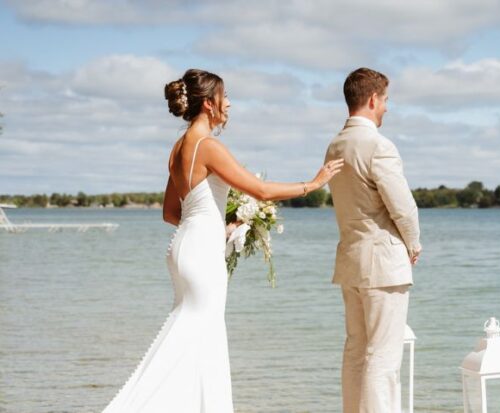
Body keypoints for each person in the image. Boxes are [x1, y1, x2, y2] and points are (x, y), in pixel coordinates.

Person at [101, 68, 343, 413]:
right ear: (209, 105)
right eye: (225, 97)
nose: (229, 104)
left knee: (189, 336)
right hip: (201, 254)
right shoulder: (208, 146)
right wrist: (313, 183)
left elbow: (171, 212)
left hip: (183, 247)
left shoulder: (178, 149)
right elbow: (259, 190)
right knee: (202, 337)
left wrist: (221, 225)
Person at [324, 67, 422, 413]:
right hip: (383, 264)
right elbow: (403, 207)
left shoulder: (335, 145)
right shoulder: (378, 146)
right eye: (386, 100)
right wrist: (413, 243)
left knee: (355, 351)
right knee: (383, 359)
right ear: (372, 99)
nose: (387, 108)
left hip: (351, 261)